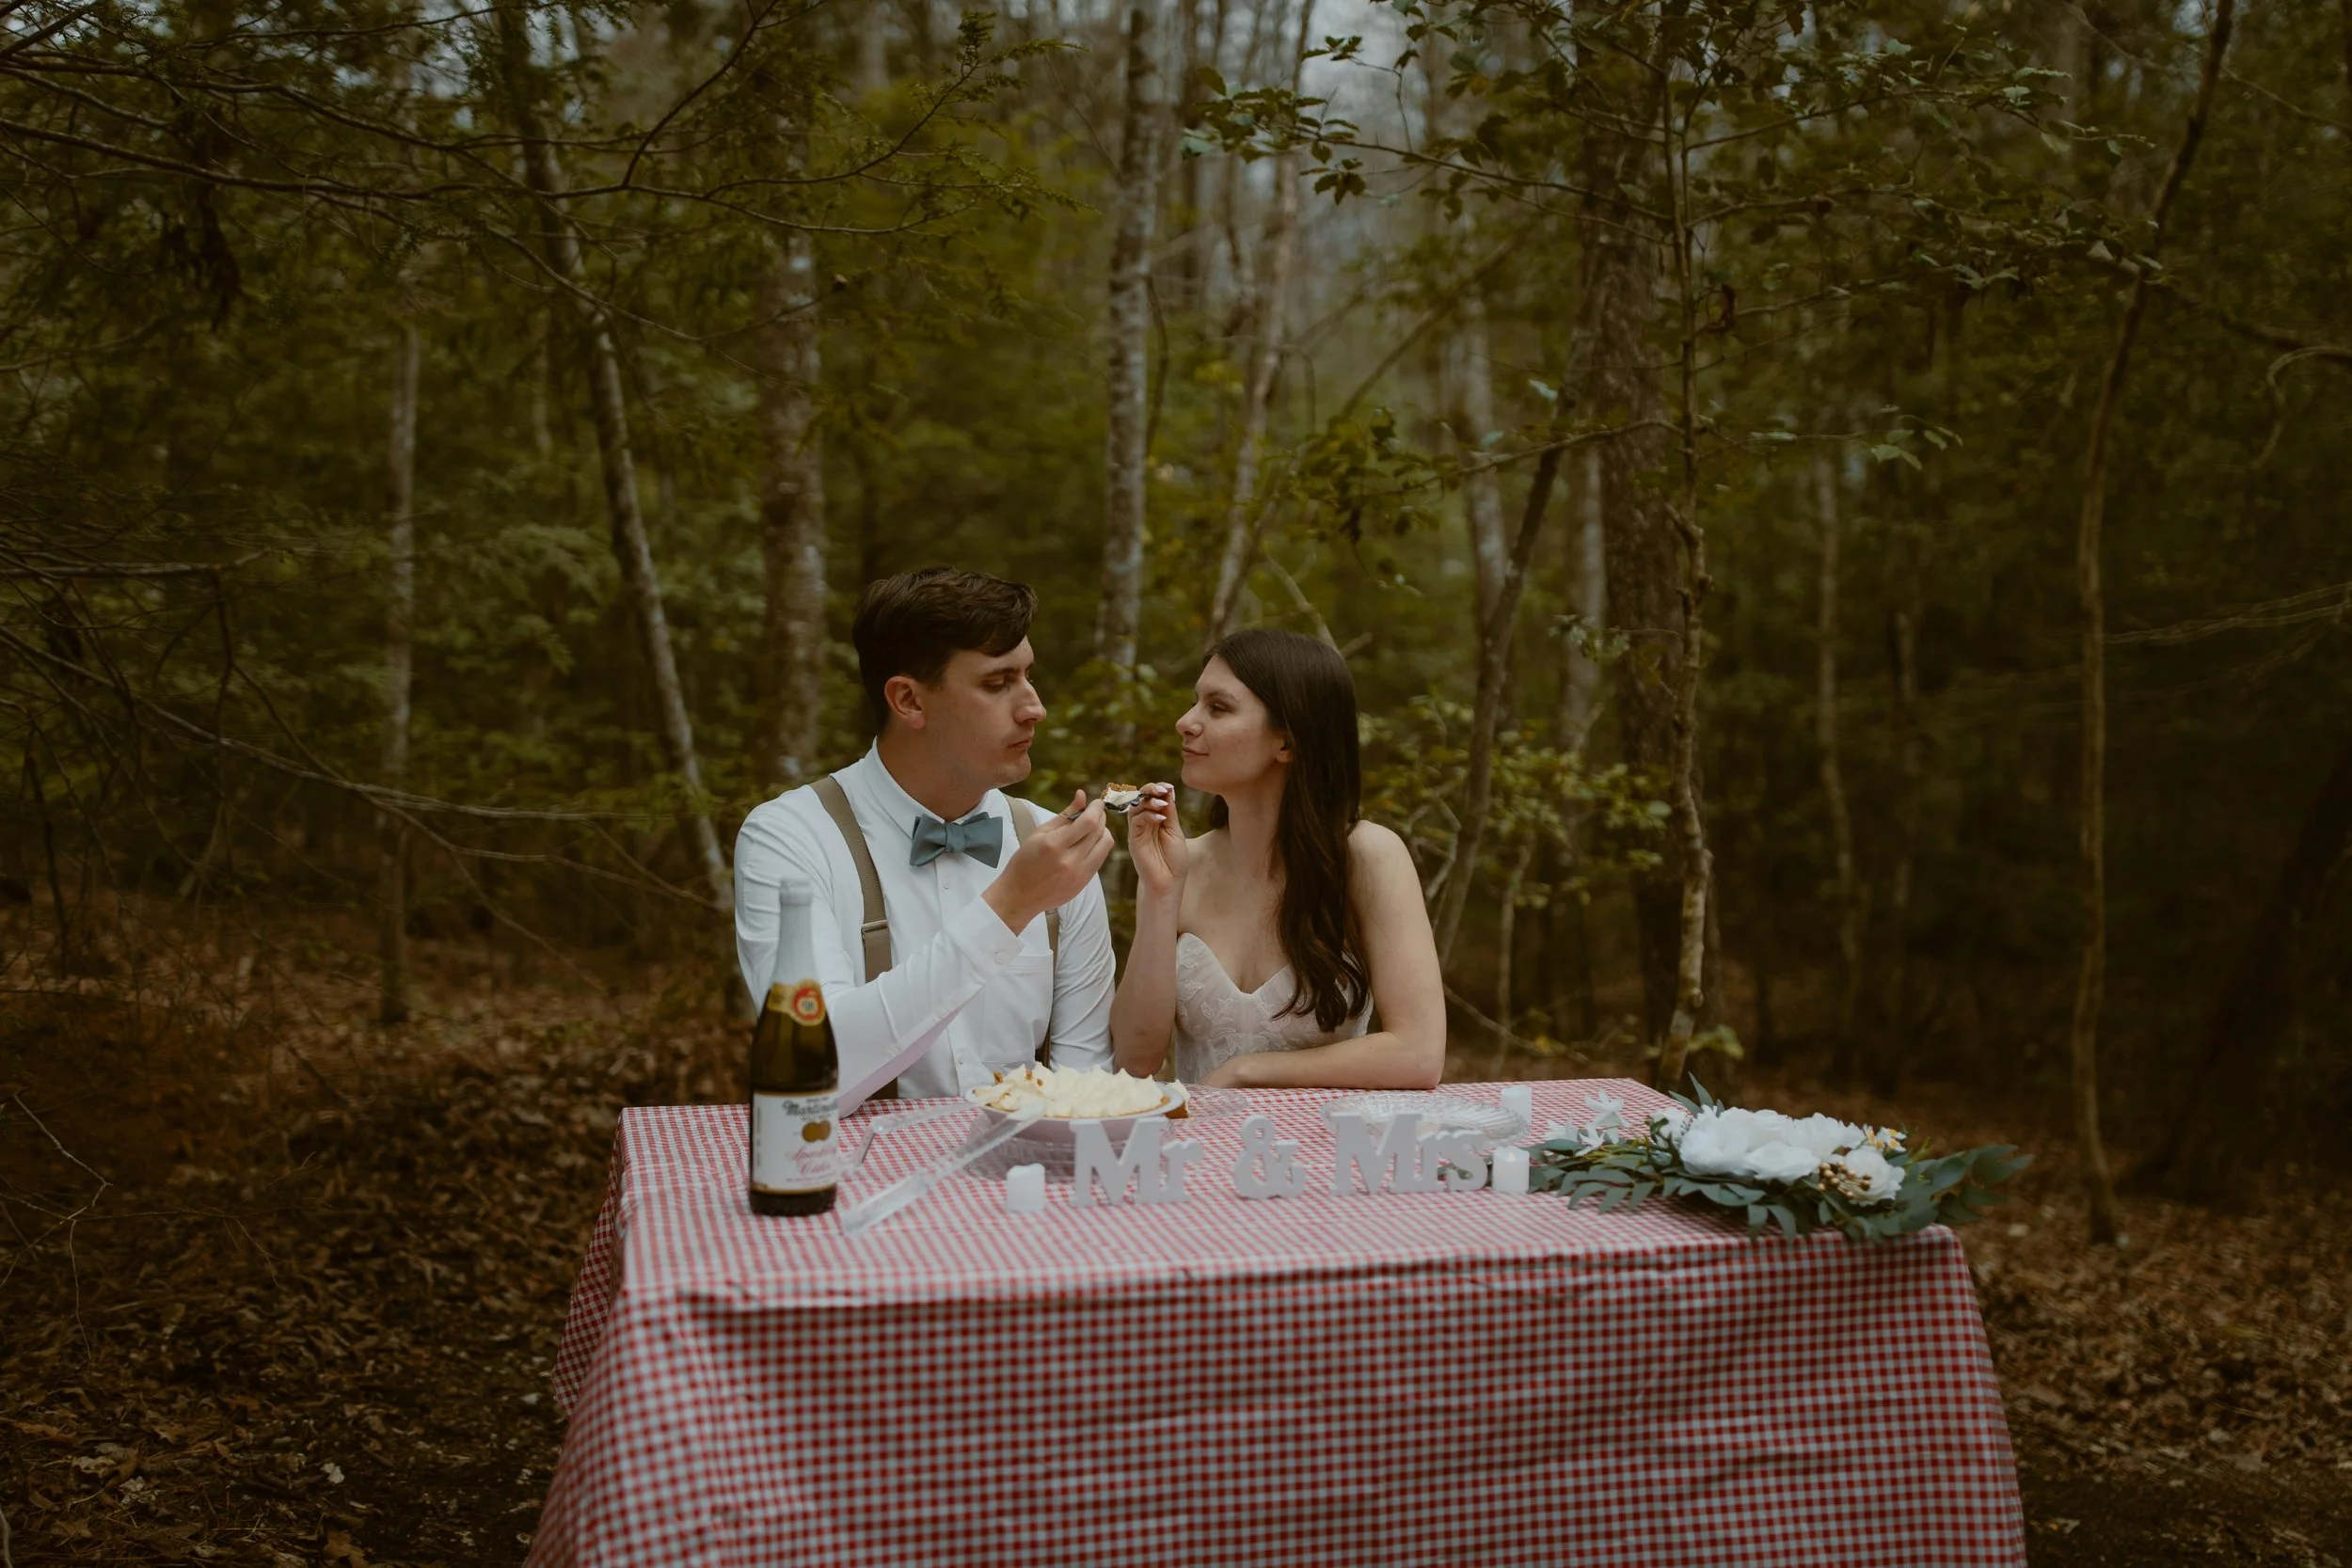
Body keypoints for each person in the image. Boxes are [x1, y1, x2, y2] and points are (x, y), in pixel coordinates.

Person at [733, 567, 1118, 1112]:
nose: (1035, 707)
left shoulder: (1052, 846)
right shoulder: (791, 838)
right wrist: (1008, 906)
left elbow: (1086, 1085)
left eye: (1028, 676)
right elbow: (815, 1071)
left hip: (1025, 1181)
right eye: (996, 683)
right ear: (909, 701)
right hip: (852, 1184)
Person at [1111, 628, 1447, 1089]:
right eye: (1195, 702)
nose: (1185, 722)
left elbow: (1419, 1053)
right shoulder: (1180, 862)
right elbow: (1134, 1059)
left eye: (1218, 707)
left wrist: (1246, 1071)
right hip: (1199, 1153)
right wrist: (1160, 892)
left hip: (1331, 1149)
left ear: (1286, 743)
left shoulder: (1368, 856)